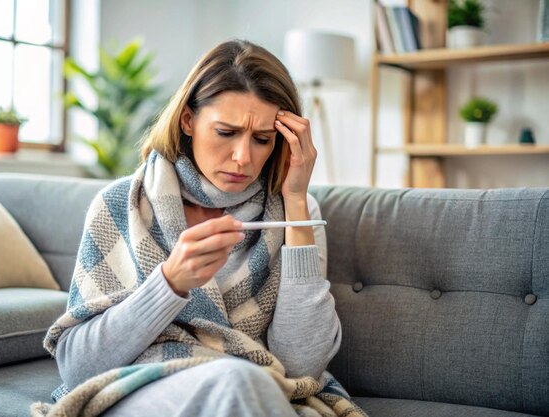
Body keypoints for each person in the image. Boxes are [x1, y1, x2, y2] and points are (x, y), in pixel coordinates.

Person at [34, 39, 366, 417]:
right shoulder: (121, 206)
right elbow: (77, 367)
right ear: (188, 120)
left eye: (262, 140)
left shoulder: (294, 214)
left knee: (243, 385)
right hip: (143, 387)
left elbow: (303, 365)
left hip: (254, 393)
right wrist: (170, 283)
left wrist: (295, 199)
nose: (243, 158)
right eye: (226, 132)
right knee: (238, 382)